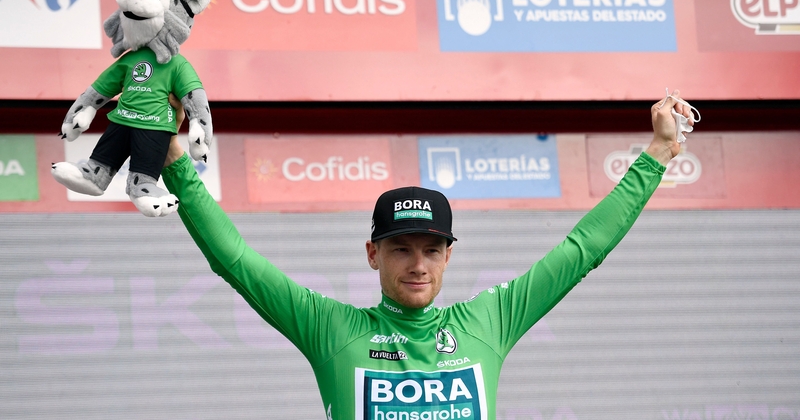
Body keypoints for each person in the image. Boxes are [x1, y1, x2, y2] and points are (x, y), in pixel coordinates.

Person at [161, 91, 695, 419]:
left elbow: (583, 250)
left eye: (431, 250)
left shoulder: (489, 321)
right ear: (373, 254)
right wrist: (175, 160)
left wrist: (657, 152)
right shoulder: (331, 329)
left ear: (448, 258)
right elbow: (234, 261)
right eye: (401, 249)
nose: (417, 264)